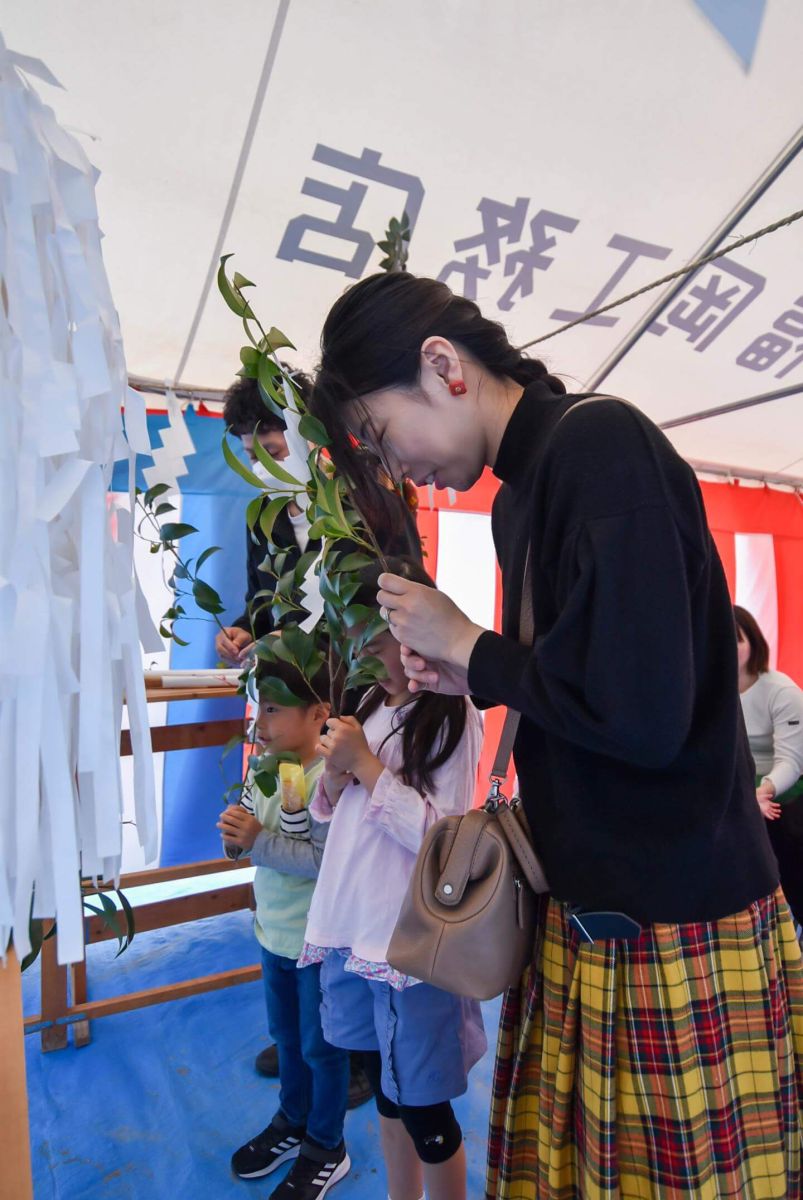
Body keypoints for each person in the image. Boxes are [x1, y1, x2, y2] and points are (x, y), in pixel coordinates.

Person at [310, 271, 803, 1199]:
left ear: (443, 367)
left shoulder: (601, 449)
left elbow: (647, 718)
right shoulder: (524, 490)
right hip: (594, 909)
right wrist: (474, 669)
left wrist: (474, 648)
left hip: (670, 920)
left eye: (380, 434)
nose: (391, 466)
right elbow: (587, 689)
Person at [298, 558, 485, 1200]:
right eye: (353, 633)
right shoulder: (374, 703)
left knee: (426, 1108)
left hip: (406, 945)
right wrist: (337, 771)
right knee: (382, 1085)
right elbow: (332, 808)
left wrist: (367, 767)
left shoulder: (453, 714)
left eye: (373, 633)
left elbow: (443, 840)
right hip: (355, 931)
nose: (362, 649)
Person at [218, 655, 352, 1199]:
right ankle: (292, 1121)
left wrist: (257, 842)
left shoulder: (328, 777)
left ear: (319, 712)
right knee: (287, 1040)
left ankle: (327, 1145)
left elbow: (321, 861)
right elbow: (247, 837)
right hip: (274, 932)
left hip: (316, 942)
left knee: (322, 1048)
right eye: (258, 707)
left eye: (273, 709)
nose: (262, 721)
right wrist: (234, 841)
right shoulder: (264, 767)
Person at [215, 373, 422, 668]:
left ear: (308, 437)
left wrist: (297, 640)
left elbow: (408, 597)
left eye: (274, 452)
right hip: (294, 691)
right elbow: (261, 603)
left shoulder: (370, 504)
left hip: (364, 677)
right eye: (253, 457)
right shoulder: (262, 518)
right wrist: (244, 631)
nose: (263, 468)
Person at [736, 604, 803, 924]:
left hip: (784, 786)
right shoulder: (706, 691)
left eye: (737, 639)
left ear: (754, 643)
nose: (729, 648)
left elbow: (791, 759)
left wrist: (763, 791)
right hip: (739, 785)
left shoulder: (781, 690)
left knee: (783, 831)